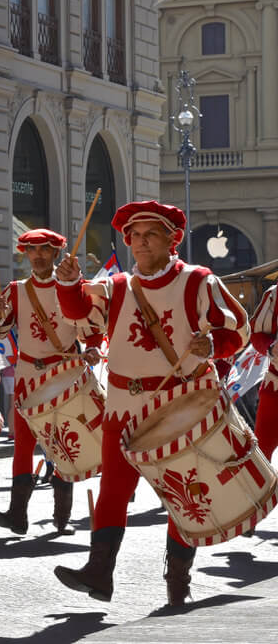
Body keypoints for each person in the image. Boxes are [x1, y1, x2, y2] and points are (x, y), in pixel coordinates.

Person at [53, 200, 248, 607]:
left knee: (182, 491)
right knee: (112, 490)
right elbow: (80, 316)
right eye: (135, 236)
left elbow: (237, 329)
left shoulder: (199, 281)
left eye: (150, 235)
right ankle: (99, 572)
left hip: (182, 402)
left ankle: (177, 578)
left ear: (171, 240)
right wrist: (69, 285)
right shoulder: (117, 286)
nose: (140, 243)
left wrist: (212, 344)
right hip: (123, 402)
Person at [0, 229, 103, 536]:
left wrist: (92, 349)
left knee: (62, 440)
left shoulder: (77, 287)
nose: (38, 256)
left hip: (65, 372)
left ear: (56, 253)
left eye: (45, 250)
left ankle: (62, 515)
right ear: (25, 254)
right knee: (23, 442)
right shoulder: (15, 290)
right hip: (28, 374)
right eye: (32, 250)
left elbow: (92, 330)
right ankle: (17, 513)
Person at [248, 286, 278, 462]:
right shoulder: (275, 294)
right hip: (275, 388)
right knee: (261, 459)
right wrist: (271, 347)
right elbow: (257, 334)